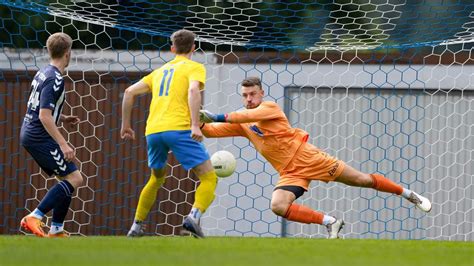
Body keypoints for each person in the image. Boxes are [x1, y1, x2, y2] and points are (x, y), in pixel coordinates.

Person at [199, 76, 432, 239]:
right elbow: (209, 130)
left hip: (311, 159)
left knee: (363, 180)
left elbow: (236, 117)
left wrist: (217, 115)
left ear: (261, 94)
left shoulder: (270, 108)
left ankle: (409, 195)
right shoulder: (243, 121)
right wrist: (193, 120)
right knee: (278, 206)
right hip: (290, 172)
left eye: (252, 94)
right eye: (245, 95)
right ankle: (331, 222)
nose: (249, 99)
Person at [121, 29, 218, 238]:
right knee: (209, 177)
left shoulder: (160, 72)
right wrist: (194, 124)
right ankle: (193, 217)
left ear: (172, 48)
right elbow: (193, 91)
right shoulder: (195, 67)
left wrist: (126, 125)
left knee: (156, 178)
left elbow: (128, 92)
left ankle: (136, 226)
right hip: (179, 128)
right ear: (194, 48)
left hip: (154, 131)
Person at [20, 32, 83, 238]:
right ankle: (35, 216)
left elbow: (39, 108)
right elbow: (44, 116)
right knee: (75, 177)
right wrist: (64, 144)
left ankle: (56, 230)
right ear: (68, 53)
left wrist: (62, 118)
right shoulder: (55, 78)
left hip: (31, 132)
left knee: (67, 178)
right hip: (39, 135)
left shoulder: (43, 72)